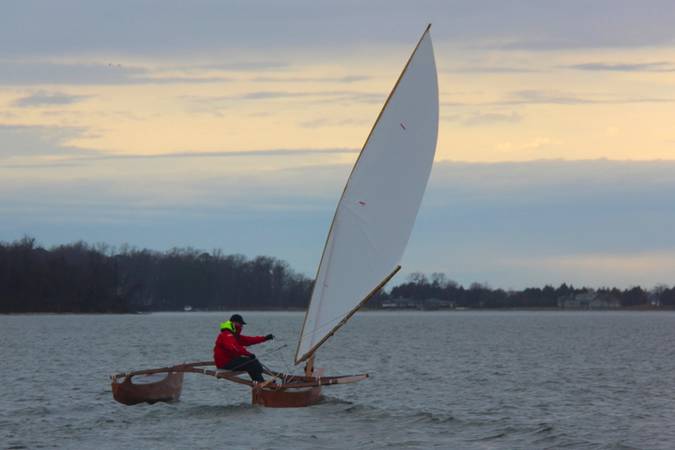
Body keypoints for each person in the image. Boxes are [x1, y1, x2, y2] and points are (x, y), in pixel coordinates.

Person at [213, 314, 274, 382]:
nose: (242, 326)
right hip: (225, 364)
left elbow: (249, 340)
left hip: (230, 361)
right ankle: (261, 383)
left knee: (252, 363)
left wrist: (265, 338)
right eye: (241, 324)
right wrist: (248, 354)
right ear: (234, 323)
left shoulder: (233, 335)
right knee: (252, 363)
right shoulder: (226, 334)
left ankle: (259, 383)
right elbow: (234, 347)